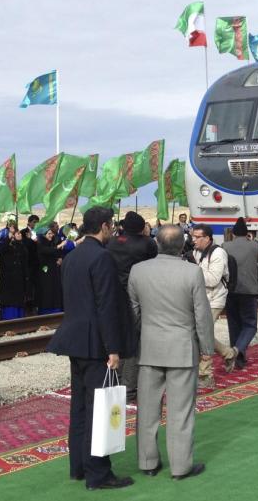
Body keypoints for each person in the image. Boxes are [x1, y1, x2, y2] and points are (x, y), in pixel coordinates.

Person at [46, 206, 134, 490]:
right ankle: (98, 473)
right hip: (96, 344)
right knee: (99, 409)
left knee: (80, 407)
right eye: (112, 226)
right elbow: (106, 306)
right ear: (105, 226)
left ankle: (79, 467)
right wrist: (113, 349)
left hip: (75, 340)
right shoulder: (102, 258)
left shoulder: (71, 257)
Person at [128, 225, 214, 480]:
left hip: (149, 348)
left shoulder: (138, 271)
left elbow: (133, 313)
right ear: (182, 245)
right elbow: (202, 315)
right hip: (182, 349)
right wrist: (207, 348)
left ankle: (148, 462)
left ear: (157, 244)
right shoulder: (192, 272)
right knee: (181, 411)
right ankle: (180, 467)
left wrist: (129, 346)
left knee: (147, 409)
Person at [106, 211, 158, 402]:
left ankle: (116, 381)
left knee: (117, 339)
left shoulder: (111, 243)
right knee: (134, 342)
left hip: (114, 295)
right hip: (138, 295)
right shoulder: (147, 244)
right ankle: (129, 388)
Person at [190, 223, 238, 384]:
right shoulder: (196, 252)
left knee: (202, 335)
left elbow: (212, 280)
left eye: (197, 237)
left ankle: (205, 375)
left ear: (208, 238)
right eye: (192, 236)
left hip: (214, 300)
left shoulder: (218, 253)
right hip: (199, 299)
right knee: (203, 333)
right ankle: (228, 353)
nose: (194, 240)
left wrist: (192, 270)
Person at [223, 217, 258, 368]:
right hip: (249, 290)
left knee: (234, 324)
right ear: (247, 233)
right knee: (250, 325)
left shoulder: (225, 246)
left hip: (230, 290)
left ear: (233, 233)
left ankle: (238, 359)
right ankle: (237, 351)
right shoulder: (254, 245)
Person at [0, 226, 29, 320]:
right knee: (9, 301)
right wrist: (9, 237)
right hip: (8, 279)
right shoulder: (6, 245)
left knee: (18, 299)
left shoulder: (21, 245)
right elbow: (1, 250)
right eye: (18, 233)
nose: (20, 235)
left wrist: (19, 242)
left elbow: (24, 254)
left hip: (19, 278)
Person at [36, 225, 64, 314]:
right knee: (47, 291)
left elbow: (56, 253)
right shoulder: (40, 244)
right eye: (49, 233)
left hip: (54, 271)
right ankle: (45, 312)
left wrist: (59, 258)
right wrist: (59, 246)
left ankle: (55, 310)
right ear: (43, 235)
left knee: (55, 291)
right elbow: (48, 251)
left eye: (52, 233)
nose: (51, 235)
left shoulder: (51, 243)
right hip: (45, 272)